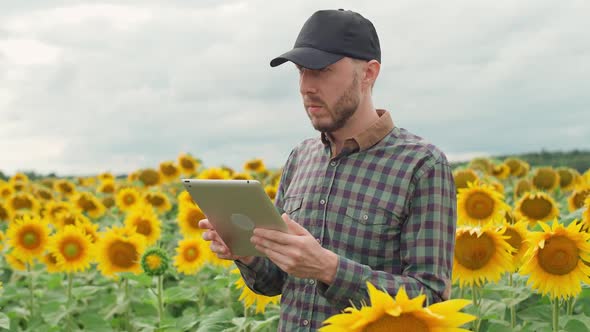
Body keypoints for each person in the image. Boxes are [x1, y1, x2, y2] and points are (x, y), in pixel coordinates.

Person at [199, 9, 457, 331]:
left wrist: (330, 270)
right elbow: (277, 282)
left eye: (321, 70)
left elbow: (431, 299)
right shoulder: (300, 158)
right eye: (301, 71)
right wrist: (247, 255)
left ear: (368, 74)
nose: (306, 87)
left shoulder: (421, 165)